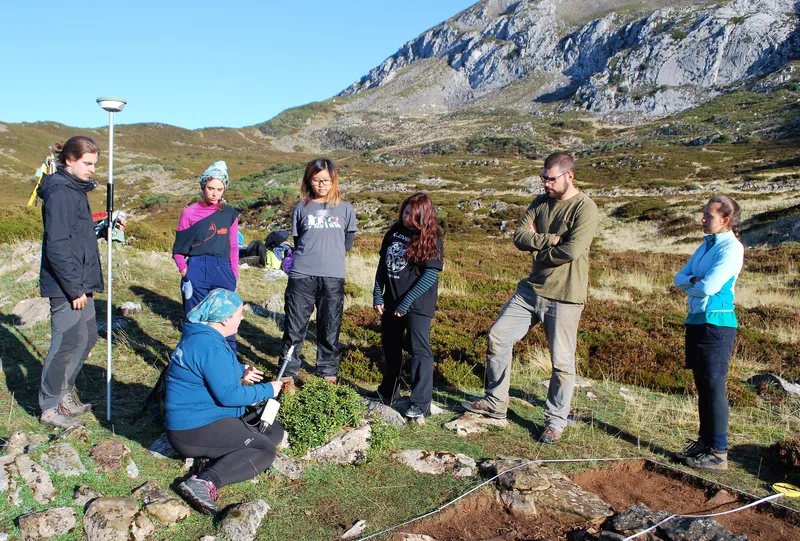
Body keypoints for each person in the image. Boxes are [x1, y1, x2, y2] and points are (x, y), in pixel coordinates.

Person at [461, 152, 598, 445]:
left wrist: (537, 248)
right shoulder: (539, 203)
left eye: (551, 178)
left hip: (564, 295)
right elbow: (519, 236)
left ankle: (555, 421)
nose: (546, 183)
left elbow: (572, 252)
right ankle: (496, 402)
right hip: (530, 289)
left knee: (561, 362)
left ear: (569, 176)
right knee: (498, 336)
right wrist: (549, 240)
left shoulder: (585, 209)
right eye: (543, 177)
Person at [166, 289, 284, 515]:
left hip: (207, 417)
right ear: (223, 318)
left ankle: (222, 455)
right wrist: (268, 389)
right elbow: (229, 396)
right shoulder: (209, 345)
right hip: (192, 428)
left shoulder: (203, 335)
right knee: (264, 450)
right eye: (239, 313)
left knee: (272, 429)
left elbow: (210, 369)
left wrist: (241, 370)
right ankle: (204, 481)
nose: (242, 317)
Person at [673, 195, 744, 472]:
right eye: (703, 214)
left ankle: (719, 451)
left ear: (725, 221)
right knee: (702, 385)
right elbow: (680, 277)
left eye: (708, 216)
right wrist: (693, 281)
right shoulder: (705, 246)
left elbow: (709, 287)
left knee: (714, 386)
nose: (702, 219)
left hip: (718, 323)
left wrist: (693, 283)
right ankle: (704, 444)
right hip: (696, 320)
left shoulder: (731, 249)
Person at [37, 136, 103, 429]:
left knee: (87, 337)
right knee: (65, 343)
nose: (91, 169)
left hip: (80, 281)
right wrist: (75, 289)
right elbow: (58, 246)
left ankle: (64, 396)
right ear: (69, 160)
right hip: (68, 286)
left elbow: (78, 237)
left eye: (94, 164)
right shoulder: (61, 193)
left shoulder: (75, 190)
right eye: (87, 164)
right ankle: (50, 407)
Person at [280, 158, 357, 386]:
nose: (321, 185)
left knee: (329, 326)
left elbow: (347, 243)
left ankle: (327, 373)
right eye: (316, 180)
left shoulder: (346, 208)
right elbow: (299, 241)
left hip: (333, 276)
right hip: (302, 276)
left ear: (334, 180)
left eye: (326, 180)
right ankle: (287, 374)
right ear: (308, 181)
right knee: (294, 327)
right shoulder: (300, 209)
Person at [369, 193, 444, 419]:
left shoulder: (432, 238)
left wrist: (407, 301)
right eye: (406, 211)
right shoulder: (393, 232)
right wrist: (377, 294)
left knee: (419, 350)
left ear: (424, 215)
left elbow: (430, 274)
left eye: (413, 214)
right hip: (391, 299)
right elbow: (383, 265)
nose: (408, 217)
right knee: (391, 347)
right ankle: (388, 392)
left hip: (418, 304)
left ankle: (420, 402)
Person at [172, 161, 240, 352]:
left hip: (223, 270)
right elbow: (178, 249)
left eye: (220, 189)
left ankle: (229, 368)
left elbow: (233, 246)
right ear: (203, 186)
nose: (215, 193)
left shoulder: (229, 214)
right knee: (196, 321)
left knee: (226, 321)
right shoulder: (189, 213)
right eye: (211, 188)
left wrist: (233, 274)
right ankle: (194, 366)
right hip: (196, 269)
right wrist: (185, 271)